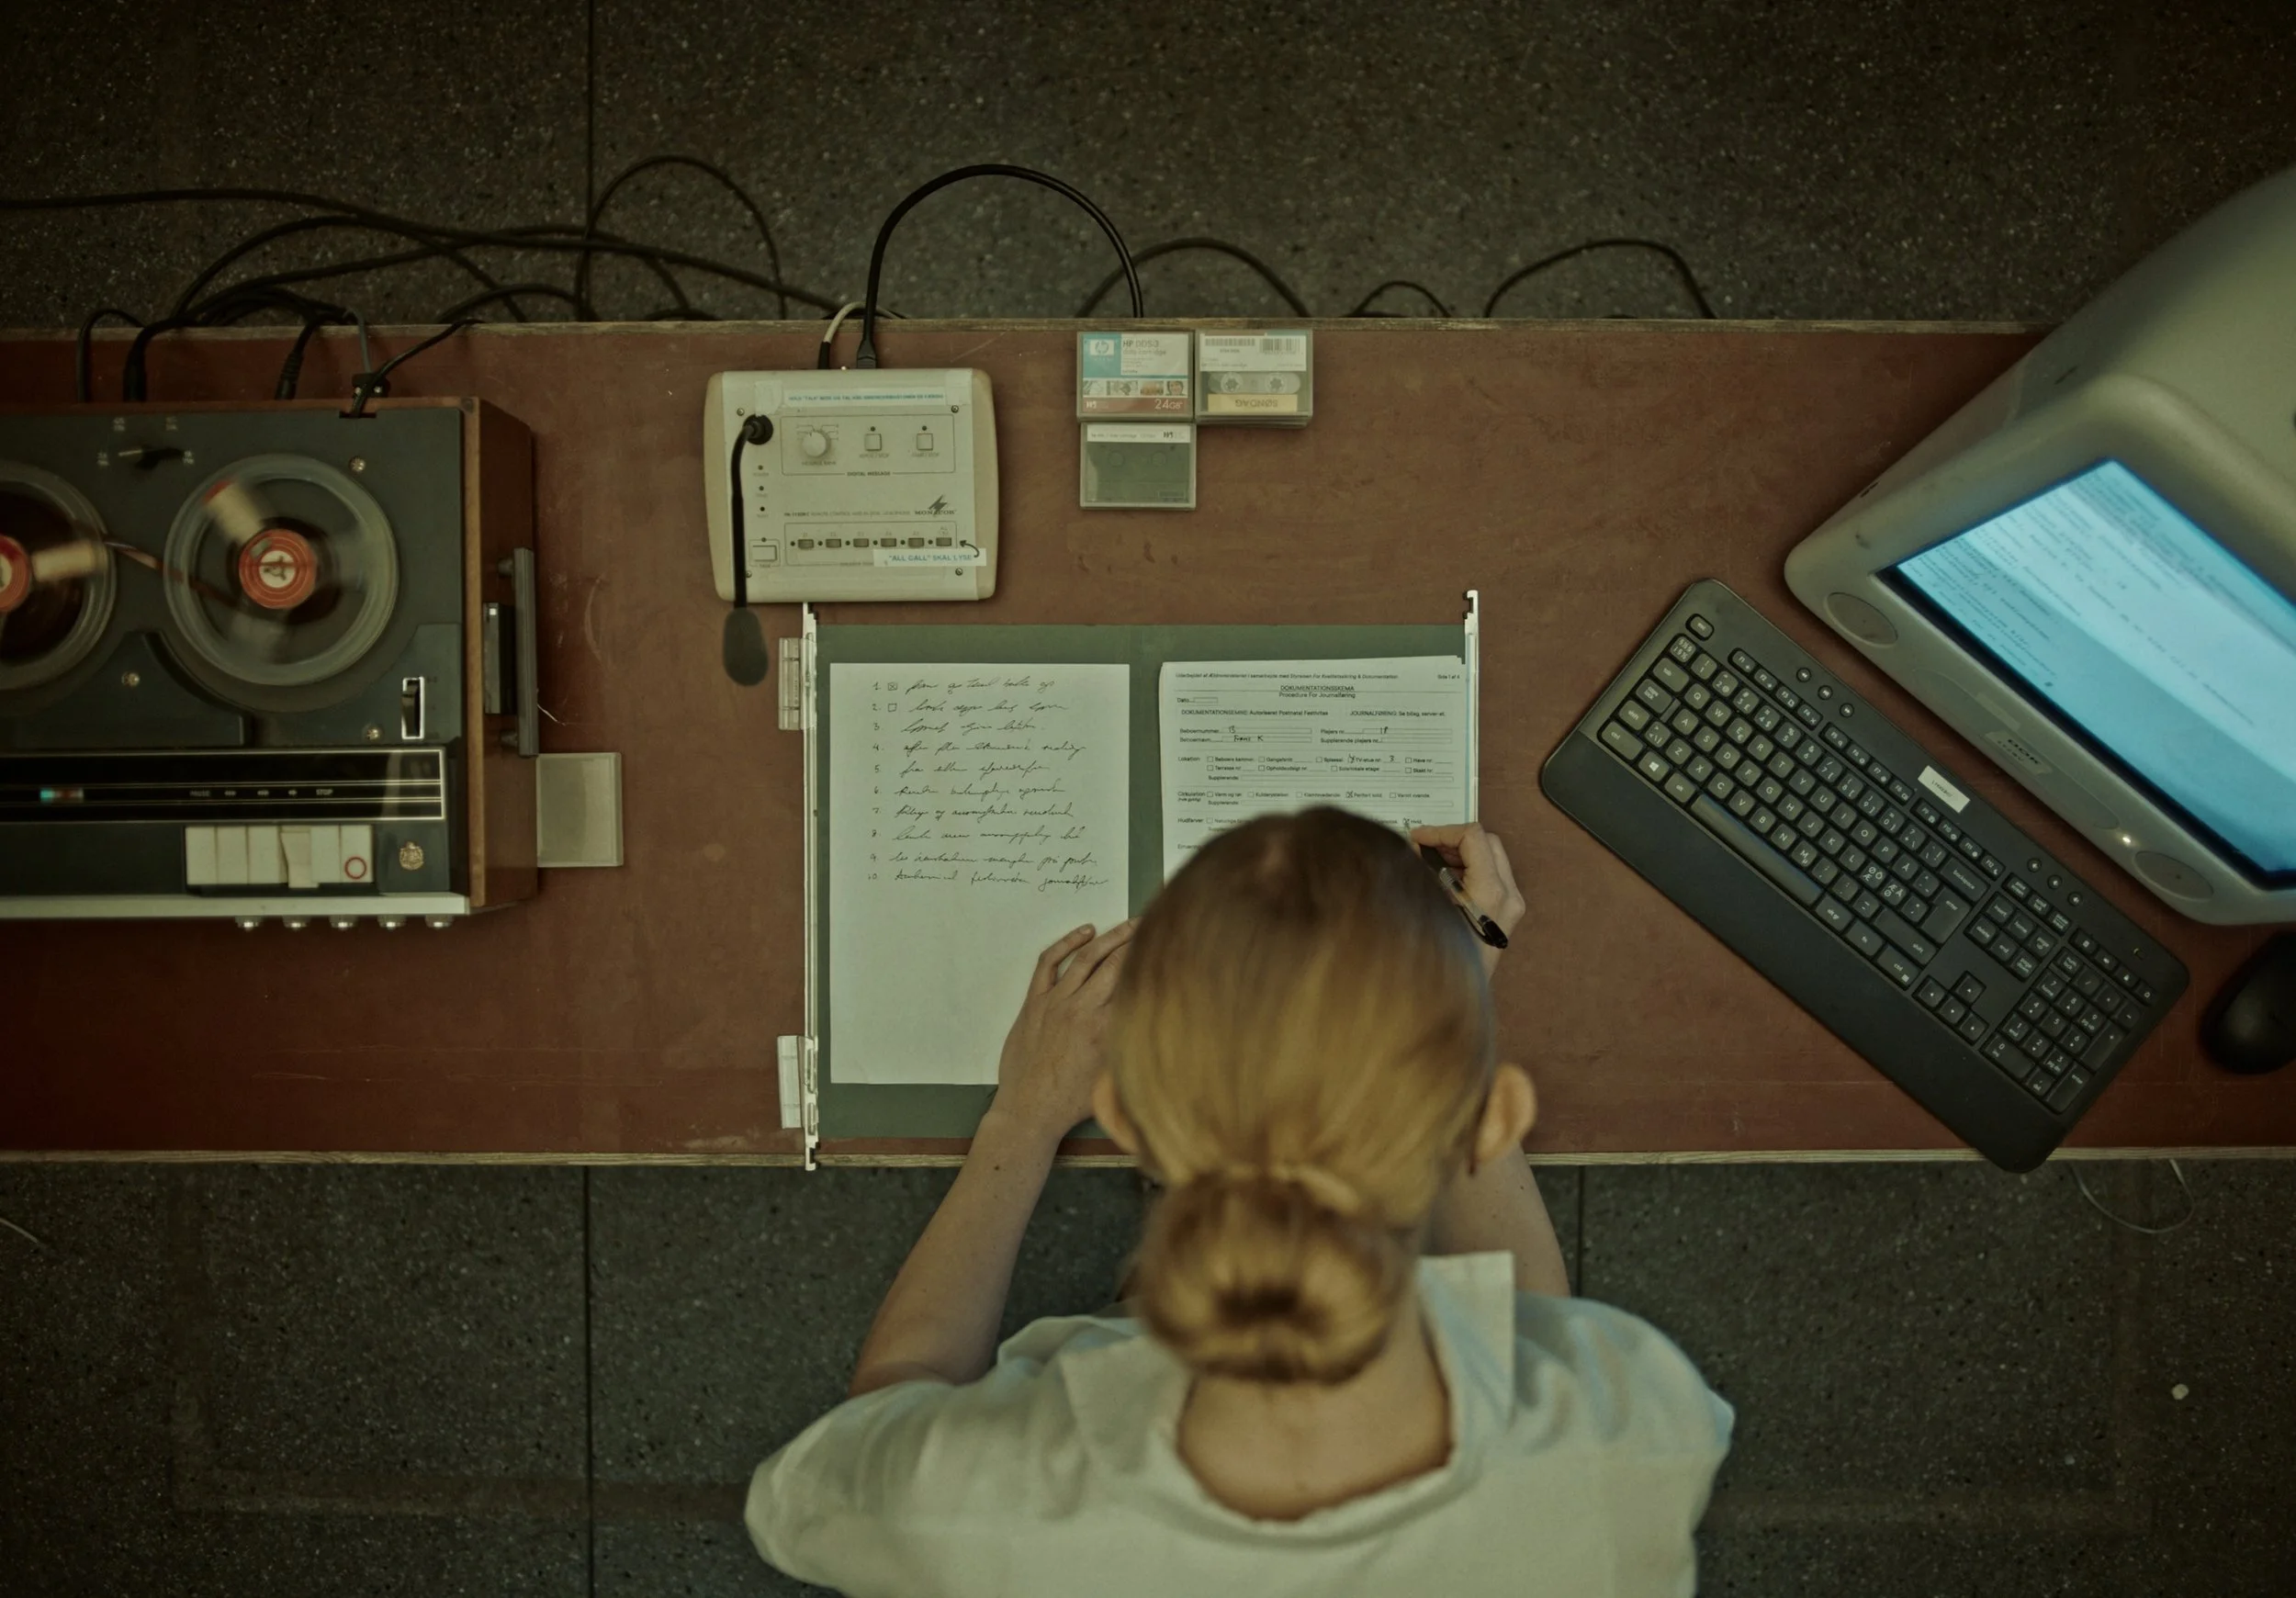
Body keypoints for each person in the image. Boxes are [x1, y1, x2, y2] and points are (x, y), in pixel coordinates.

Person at [748, 808, 1733, 1596]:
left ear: (1127, 1117)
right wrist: (1445, 1018)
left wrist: (1017, 1125)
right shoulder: (1641, 1423)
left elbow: (884, 1411)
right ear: (1487, 1117)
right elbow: (1533, 1341)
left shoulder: (962, 1504)